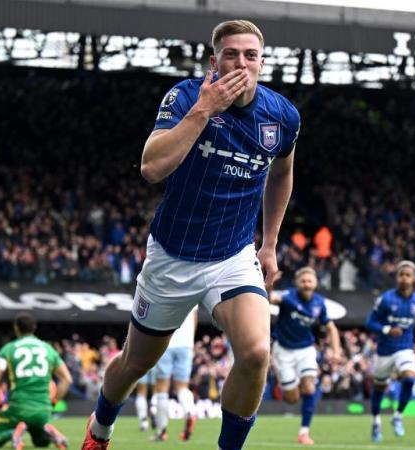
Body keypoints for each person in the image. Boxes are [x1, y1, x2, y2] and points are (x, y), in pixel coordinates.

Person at [81, 18, 300, 450]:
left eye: (250, 55)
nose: (241, 62)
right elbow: (151, 167)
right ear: (213, 60)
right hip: (172, 255)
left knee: (257, 353)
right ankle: (100, 428)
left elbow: (283, 173)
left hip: (232, 256)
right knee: (135, 363)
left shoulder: (282, 116)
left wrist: (270, 242)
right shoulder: (184, 97)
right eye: (231, 54)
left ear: (262, 62)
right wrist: (205, 109)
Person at [268, 267, 341, 445]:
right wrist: (269, 284)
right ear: (297, 283)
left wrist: (336, 351)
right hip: (283, 350)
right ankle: (289, 384)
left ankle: (304, 432)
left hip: (306, 349)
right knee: (292, 399)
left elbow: (331, 328)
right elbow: (269, 298)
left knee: (309, 388)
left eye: (310, 281)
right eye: (303, 281)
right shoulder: (287, 296)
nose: (307, 284)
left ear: (315, 283)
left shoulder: (319, 303)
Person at [0, 313, 73, 450]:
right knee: (41, 442)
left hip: (18, 409)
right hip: (43, 411)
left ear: (16, 328)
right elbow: (67, 379)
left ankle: (14, 433)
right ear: (34, 327)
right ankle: (50, 432)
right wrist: (52, 403)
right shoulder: (48, 349)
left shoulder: (9, 349)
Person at [365, 260, 415, 442]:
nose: (404, 278)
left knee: (409, 379)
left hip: (405, 348)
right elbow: (370, 322)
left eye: (408, 275)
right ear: (397, 277)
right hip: (384, 350)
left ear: (414, 278)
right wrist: (386, 329)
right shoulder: (385, 299)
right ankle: (376, 422)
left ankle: (398, 416)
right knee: (379, 388)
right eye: (401, 274)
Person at [152, 307, 199, 442]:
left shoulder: (164, 285)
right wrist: (190, 341)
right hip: (186, 345)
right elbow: (194, 319)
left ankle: (161, 432)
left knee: (162, 387)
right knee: (182, 387)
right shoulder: (194, 286)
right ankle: (190, 411)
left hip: (166, 342)